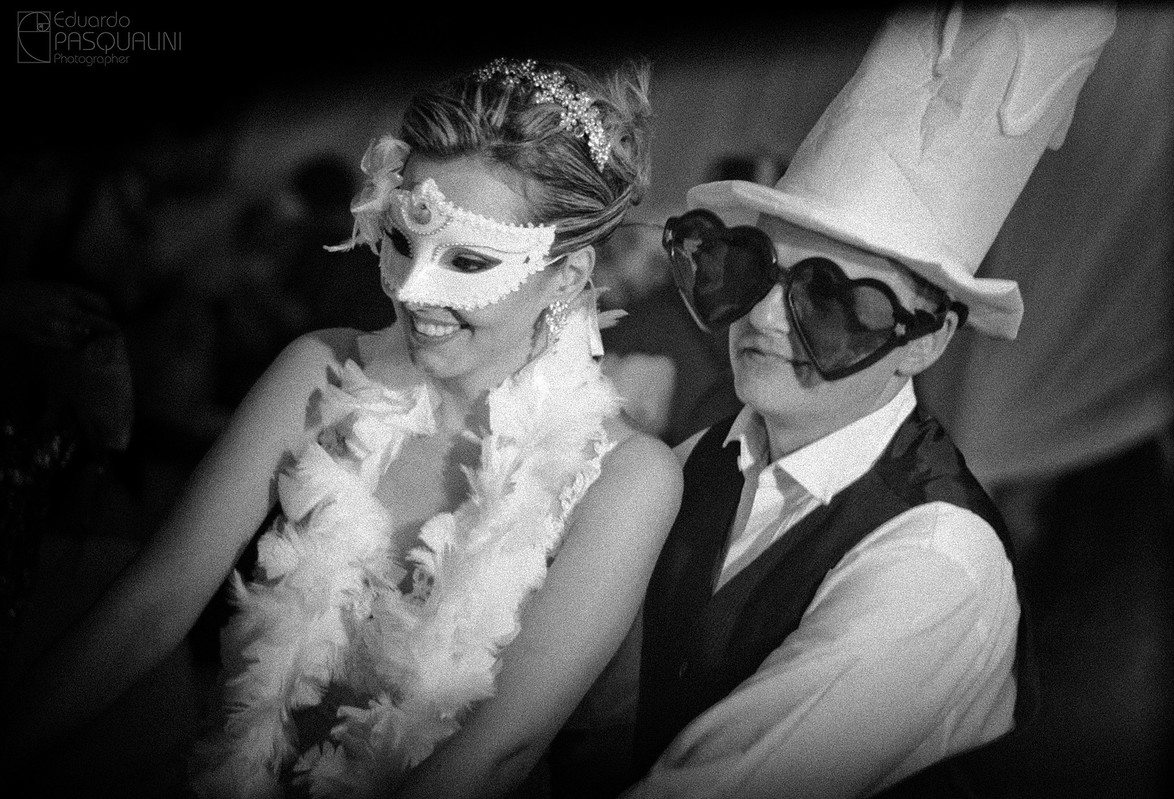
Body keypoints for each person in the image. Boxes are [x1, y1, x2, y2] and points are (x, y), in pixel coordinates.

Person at [0, 56, 682, 799]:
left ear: (569, 276)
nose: (416, 291)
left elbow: (495, 755)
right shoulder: (315, 370)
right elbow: (150, 608)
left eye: (470, 260)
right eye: (400, 239)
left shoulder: (626, 478)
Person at [554, 5, 1116, 798]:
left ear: (926, 341)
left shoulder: (935, 564)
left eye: (832, 298)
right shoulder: (693, 464)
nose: (766, 314)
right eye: (754, 267)